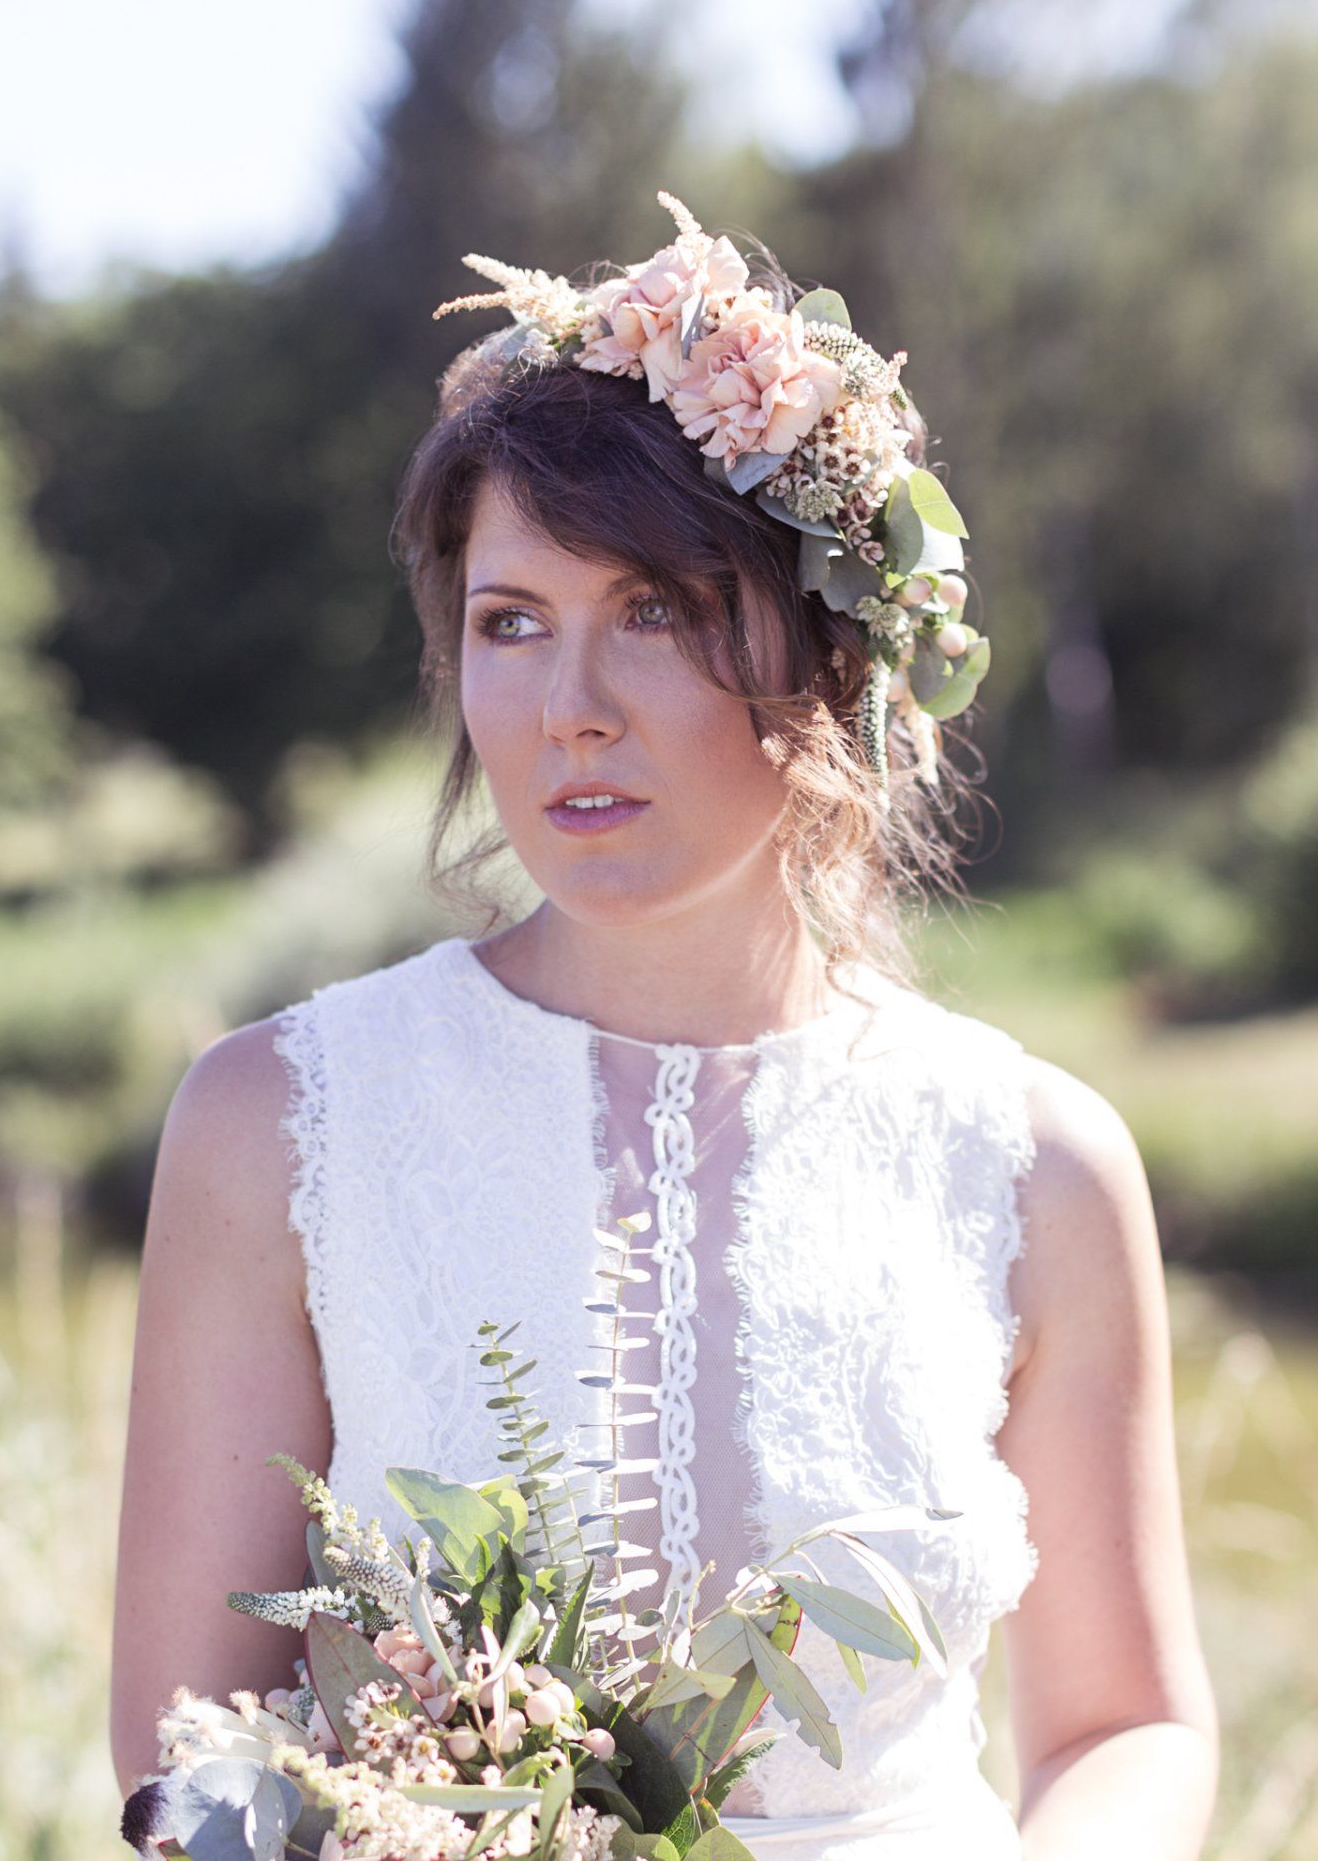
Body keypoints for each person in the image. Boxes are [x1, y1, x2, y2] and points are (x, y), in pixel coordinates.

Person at [110, 196, 1218, 1860]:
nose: (568, 709)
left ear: (831, 646)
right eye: (510, 622)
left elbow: (1130, 1726)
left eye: (655, 610)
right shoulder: (279, 1121)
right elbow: (189, 1747)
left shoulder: (1035, 1162)